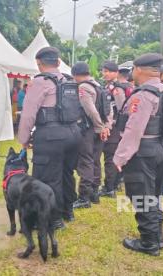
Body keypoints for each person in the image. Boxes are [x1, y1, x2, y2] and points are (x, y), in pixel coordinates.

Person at [18, 47, 82, 228]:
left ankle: (53, 220)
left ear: (39, 64)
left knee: (48, 178)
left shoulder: (39, 82)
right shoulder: (68, 81)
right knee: (67, 174)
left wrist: (23, 139)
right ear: (59, 62)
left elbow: (28, 114)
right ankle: (67, 211)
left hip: (51, 136)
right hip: (73, 133)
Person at [113, 53, 163, 256]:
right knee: (154, 195)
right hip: (162, 148)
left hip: (144, 152)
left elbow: (134, 129)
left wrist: (120, 157)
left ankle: (148, 242)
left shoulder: (143, 95)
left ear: (140, 70)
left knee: (142, 195)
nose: (133, 72)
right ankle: (157, 237)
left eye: (134, 68)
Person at [71, 62, 112, 209]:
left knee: (86, 162)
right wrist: (106, 126)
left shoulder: (83, 87)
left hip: (89, 130)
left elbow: (91, 110)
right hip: (99, 130)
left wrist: (101, 127)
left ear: (75, 74)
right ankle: (94, 193)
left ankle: (84, 197)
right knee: (95, 161)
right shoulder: (99, 86)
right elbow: (108, 110)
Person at [99, 61, 127, 198]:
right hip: (111, 125)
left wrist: (114, 123)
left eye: (108, 71)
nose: (105, 74)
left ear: (116, 72)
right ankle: (114, 184)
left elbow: (122, 108)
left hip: (115, 126)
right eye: (104, 71)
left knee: (110, 157)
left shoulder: (116, 88)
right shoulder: (107, 86)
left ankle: (109, 188)